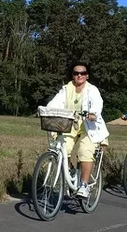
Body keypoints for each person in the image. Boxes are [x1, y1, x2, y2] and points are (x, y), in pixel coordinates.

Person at [45, 64, 109, 198]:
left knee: (85, 151)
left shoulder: (92, 90)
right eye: (76, 73)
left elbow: (98, 103)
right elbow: (55, 103)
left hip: (88, 125)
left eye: (83, 73)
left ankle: (84, 185)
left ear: (87, 75)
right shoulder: (66, 89)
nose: (79, 75)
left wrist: (93, 113)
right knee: (62, 148)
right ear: (72, 75)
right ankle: (71, 171)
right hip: (69, 123)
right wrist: (47, 111)